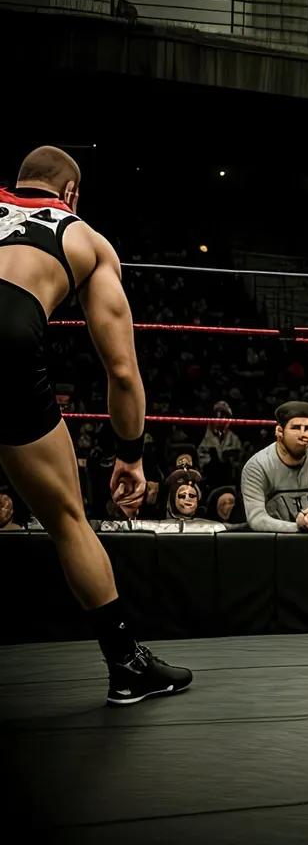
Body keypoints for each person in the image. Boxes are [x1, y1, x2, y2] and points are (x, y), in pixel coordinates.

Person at [0, 146, 192, 704]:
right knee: (66, 517)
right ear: (71, 194)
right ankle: (127, 665)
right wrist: (129, 454)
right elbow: (123, 371)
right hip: (7, 347)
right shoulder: (83, 237)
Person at [240, 402, 308, 534]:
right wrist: (300, 526)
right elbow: (256, 519)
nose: (303, 434)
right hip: (272, 547)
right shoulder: (256, 467)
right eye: (296, 428)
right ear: (279, 431)